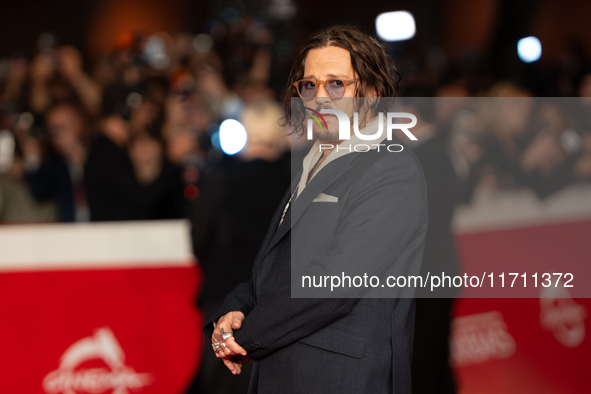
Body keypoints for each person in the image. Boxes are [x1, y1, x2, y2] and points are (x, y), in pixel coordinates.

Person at [204, 25, 428, 394]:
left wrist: (247, 335)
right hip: (288, 368)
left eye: (336, 84)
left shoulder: (390, 167)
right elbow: (274, 266)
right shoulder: (310, 160)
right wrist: (236, 308)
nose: (319, 97)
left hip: (340, 378)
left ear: (372, 91)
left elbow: (334, 283)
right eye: (309, 85)